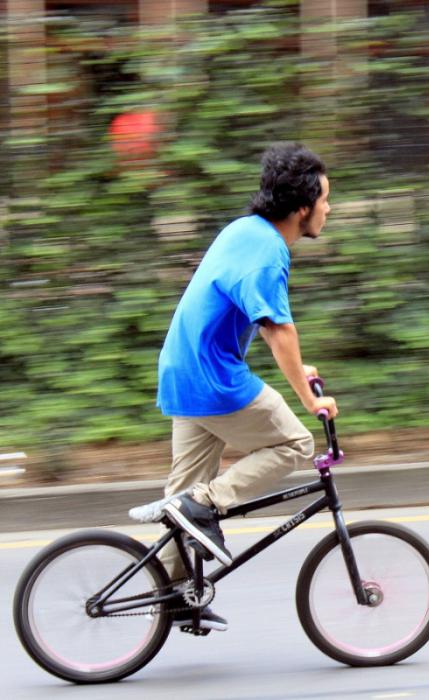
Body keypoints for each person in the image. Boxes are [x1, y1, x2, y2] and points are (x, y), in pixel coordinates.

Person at [129, 142, 338, 632]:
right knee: (295, 443)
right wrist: (308, 398)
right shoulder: (269, 253)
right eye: (326, 200)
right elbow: (276, 329)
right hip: (213, 379)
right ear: (302, 208)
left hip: (180, 372)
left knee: (178, 503)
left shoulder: (246, 232)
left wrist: (298, 368)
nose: (330, 209)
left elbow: (267, 326)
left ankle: (175, 596)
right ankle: (208, 504)